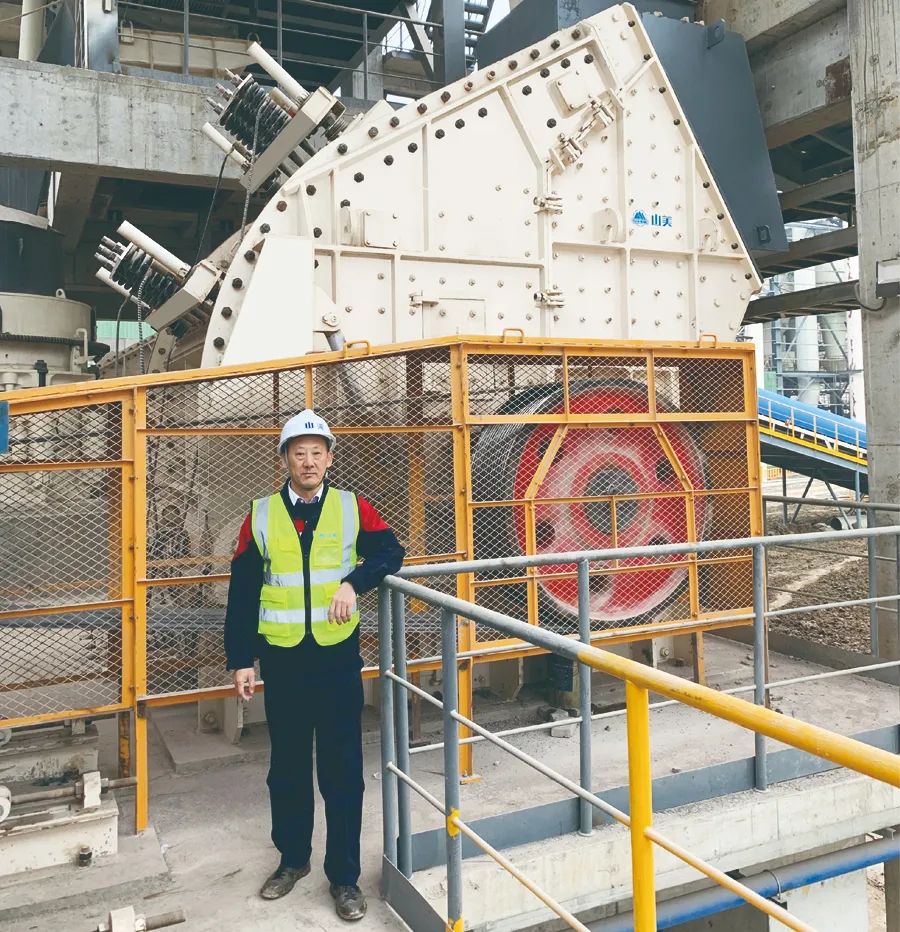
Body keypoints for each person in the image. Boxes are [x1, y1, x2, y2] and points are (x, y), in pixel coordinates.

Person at [224, 409, 404, 921]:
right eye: (298, 453)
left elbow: (391, 552)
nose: (308, 461)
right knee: (287, 767)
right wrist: (241, 659)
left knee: (342, 770)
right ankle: (292, 860)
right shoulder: (260, 515)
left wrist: (353, 581)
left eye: (316, 453)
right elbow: (243, 592)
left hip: (336, 660)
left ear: (329, 459)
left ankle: (344, 877)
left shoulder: (351, 507)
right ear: (284, 459)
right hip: (283, 662)